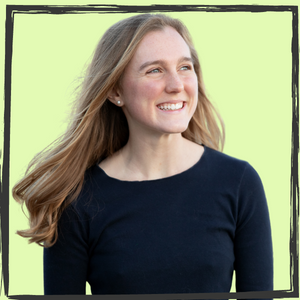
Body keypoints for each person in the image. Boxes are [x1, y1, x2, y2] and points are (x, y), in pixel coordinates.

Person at [12, 13, 273, 295]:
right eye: (155, 70)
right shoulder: (77, 200)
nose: (176, 85)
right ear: (115, 91)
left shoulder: (238, 183)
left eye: (185, 67)